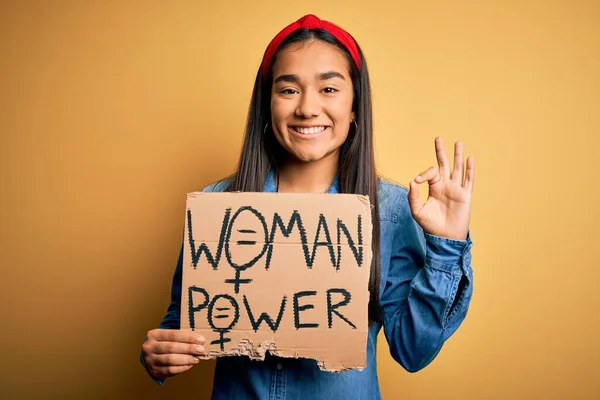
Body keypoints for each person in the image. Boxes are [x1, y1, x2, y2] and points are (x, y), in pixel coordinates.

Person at [140, 14, 475, 399]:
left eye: (329, 89)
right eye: (288, 90)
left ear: (354, 106)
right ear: (267, 105)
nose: (307, 108)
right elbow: (182, 319)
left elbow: (413, 352)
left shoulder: (394, 210)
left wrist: (447, 249)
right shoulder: (218, 204)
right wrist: (158, 353)